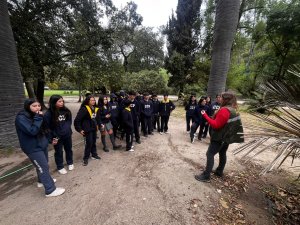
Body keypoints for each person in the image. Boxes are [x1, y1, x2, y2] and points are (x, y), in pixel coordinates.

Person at [15, 99, 65, 197]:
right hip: (32, 147)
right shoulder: (21, 118)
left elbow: (44, 130)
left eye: (38, 105)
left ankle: (41, 181)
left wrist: (50, 139)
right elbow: (32, 131)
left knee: (44, 164)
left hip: (42, 144)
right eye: (34, 106)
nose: (37, 107)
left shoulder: (36, 115)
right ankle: (50, 190)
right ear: (27, 106)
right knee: (43, 166)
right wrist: (38, 118)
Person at [194, 92, 244, 182]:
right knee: (222, 153)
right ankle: (219, 171)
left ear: (226, 99)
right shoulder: (234, 109)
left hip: (219, 137)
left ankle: (206, 176)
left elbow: (216, 125)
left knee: (209, 154)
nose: (219, 98)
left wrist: (205, 116)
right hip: (226, 137)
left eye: (221, 97)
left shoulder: (225, 110)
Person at [44, 95, 73, 175]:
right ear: (53, 102)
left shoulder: (66, 111)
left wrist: (65, 130)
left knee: (69, 149)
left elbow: (69, 122)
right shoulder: (48, 114)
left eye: (62, 101)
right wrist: (51, 139)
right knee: (58, 152)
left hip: (67, 135)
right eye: (59, 101)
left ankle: (70, 162)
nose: (62, 103)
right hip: (56, 137)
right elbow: (47, 128)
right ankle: (60, 166)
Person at [74, 95, 102, 166]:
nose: (93, 101)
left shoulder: (96, 108)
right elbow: (77, 120)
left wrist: (100, 124)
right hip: (87, 129)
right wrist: (79, 129)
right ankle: (85, 158)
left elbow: (98, 118)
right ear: (87, 101)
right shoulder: (84, 109)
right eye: (91, 100)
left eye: (94, 100)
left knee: (93, 142)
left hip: (94, 128)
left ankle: (94, 154)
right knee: (89, 143)